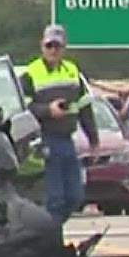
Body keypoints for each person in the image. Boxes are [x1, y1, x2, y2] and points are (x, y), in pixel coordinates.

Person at [18, 24, 98, 223]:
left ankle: (52, 230)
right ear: (42, 46)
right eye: (49, 46)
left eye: (57, 46)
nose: (53, 50)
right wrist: (48, 110)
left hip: (67, 140)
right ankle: (52, 238)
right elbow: (24, 108)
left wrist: (93, 140)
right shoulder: (31, 74)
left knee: (75, 196)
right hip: (44, 140)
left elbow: (84, 107)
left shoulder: (72, 71)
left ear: (64, 48)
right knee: (55, 198)